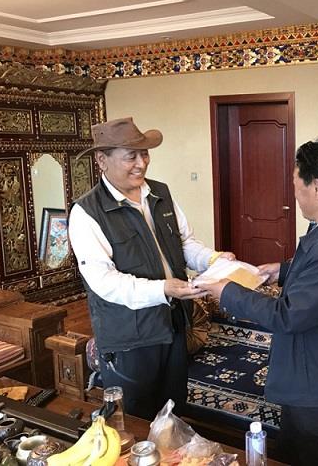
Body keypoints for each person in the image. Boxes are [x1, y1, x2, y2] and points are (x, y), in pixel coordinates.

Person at [198, 137, 318, 466]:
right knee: (297, 449)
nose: (293, 194)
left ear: (316, 187)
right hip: (316, 367)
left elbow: (288, 315)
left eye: (295, 184)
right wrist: (282, 270)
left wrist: (228, 292)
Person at [68, 117, 234, 420]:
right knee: (136, 419)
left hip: (172, 323)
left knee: (173, 411)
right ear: (102, 160)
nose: (141, 163)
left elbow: (184, 244)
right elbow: (103, 281)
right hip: (129, 337)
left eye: (144, 154)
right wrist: (162, 289)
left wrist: (214, 259)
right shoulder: (86, 212)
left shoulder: (160, 193)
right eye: (131, 156)